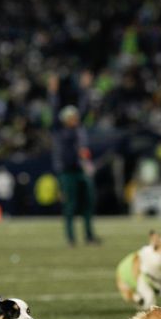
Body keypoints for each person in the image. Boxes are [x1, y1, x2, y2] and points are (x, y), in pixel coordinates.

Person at [49, 73, 99, 246]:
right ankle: (70, 238)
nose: (75, 119)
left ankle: (89, 236)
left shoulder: (80, 129)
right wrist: (53, 93)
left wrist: (85, 88)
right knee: (70, 206)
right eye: (71, 117)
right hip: (67, 171)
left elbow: (84, 108)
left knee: (87, 205)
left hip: (81, 170)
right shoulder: (58, 130)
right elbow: (54, 109)